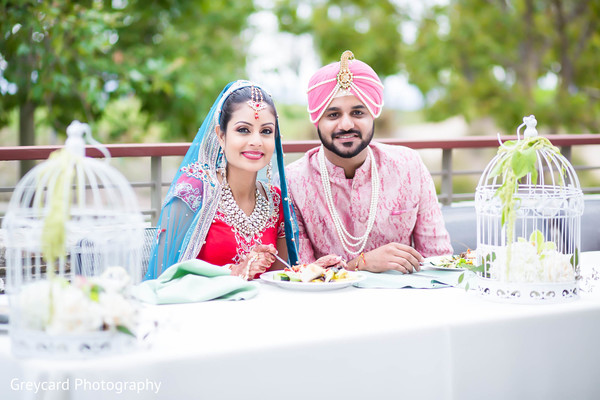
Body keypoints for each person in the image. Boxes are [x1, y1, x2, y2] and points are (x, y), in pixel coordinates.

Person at [285, 50, 453, 274]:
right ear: (317, 120)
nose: (346, 125)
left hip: (403, 299)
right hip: (328, 304)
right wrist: (361, 265)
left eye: (357, 112)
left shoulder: (409, 166)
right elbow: (302, 274)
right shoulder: (293, 182)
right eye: (333, 115)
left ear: (373, 114)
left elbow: (439, 259)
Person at [145, 80, 301, 280]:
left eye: (266, 131)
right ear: (221, 135)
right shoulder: (193, 192)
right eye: (243, 130)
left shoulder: (276, 201)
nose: (256, 141)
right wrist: (234, 272)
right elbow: (162, 279)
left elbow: (280, 279)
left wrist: (314, 273)